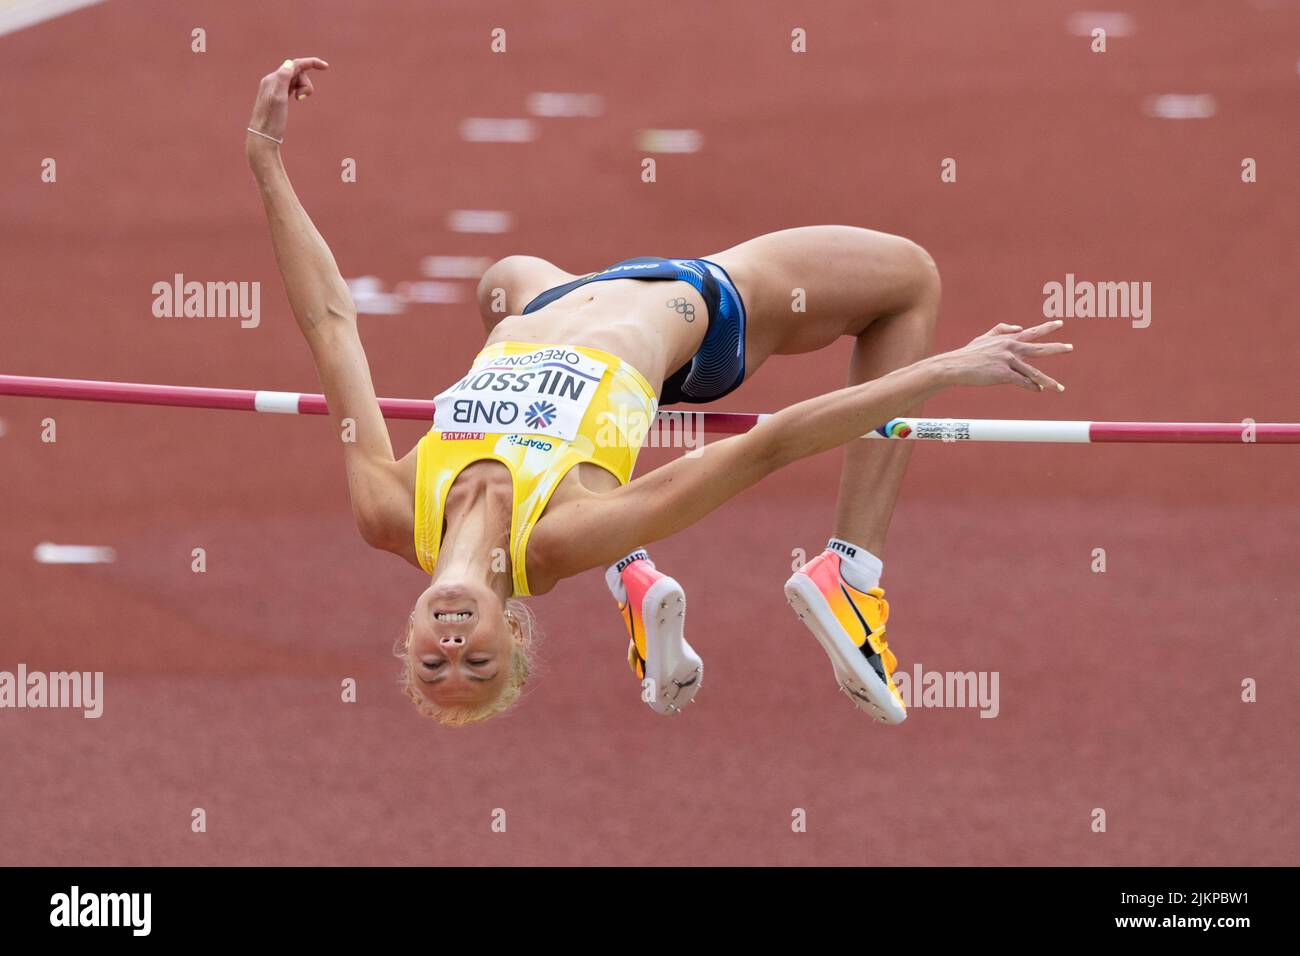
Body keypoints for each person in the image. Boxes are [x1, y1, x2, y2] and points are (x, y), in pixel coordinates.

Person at [246, 58, 1071, 726]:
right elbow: (768, 444)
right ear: (515, 630)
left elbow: (331, 326)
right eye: (478, 661)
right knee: (909, 280)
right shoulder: (558, 537)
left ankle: (633, 575)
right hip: (699, 312)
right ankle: (850, 580)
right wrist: (935, 373)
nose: (454, 642)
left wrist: (266, 157)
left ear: (410, 633)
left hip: (549, 301)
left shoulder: (389, 510)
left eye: (434, 660)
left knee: (499, 281)